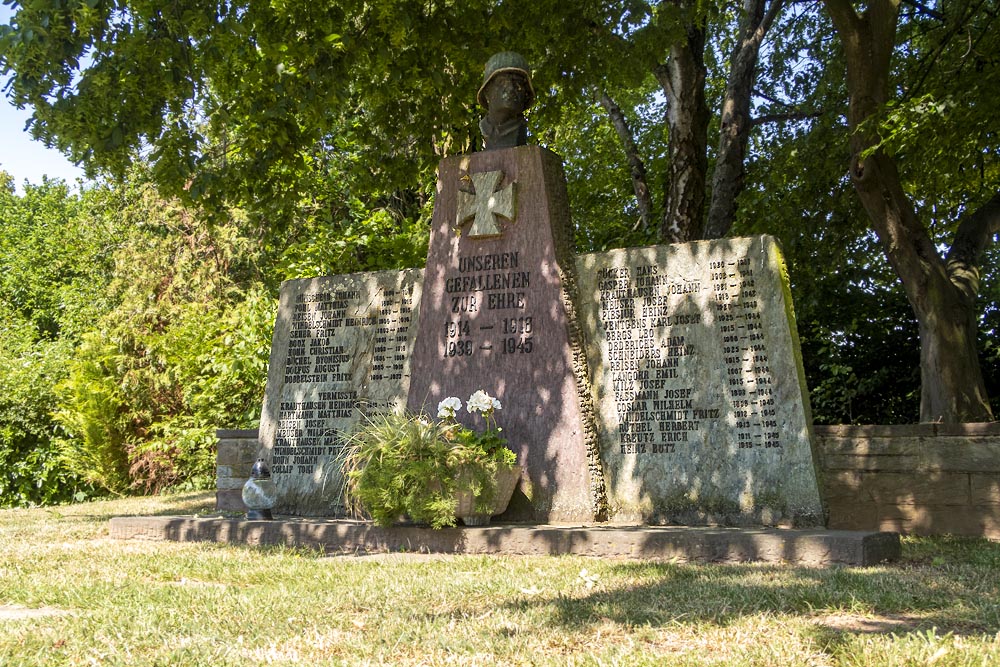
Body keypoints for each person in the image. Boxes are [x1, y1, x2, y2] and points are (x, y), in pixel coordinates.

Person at [477, 52, 535, 150]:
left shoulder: (520, 130)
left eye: (519, 83)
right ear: (487, 91)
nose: (511, 88)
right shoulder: (484, 128)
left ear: (526, 94)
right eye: (502, 82)